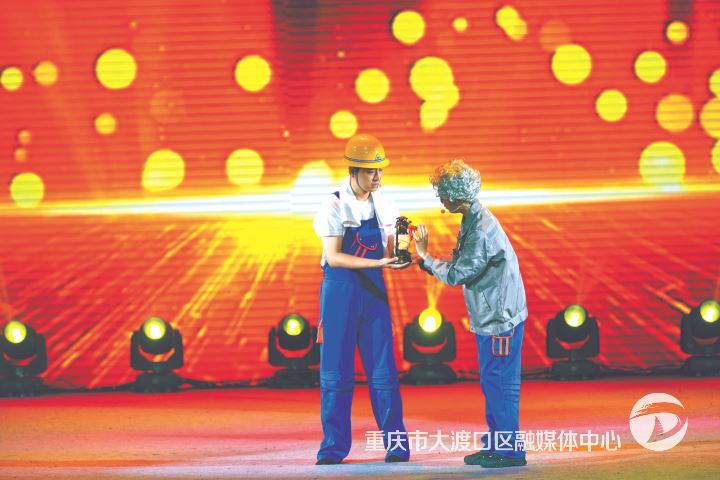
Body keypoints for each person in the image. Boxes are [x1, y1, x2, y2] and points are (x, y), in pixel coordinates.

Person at [413, 159, 528, 468]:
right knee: (493, 382)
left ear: (455, 195)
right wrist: (427, 262)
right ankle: (497, 445)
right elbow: (462, 264)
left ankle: (509, 451)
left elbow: (458, 274)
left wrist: (426, 257)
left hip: (499, 320)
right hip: (492, 318)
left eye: (442, 193)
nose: (440, 199)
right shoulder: (473, 219)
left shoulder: (480, 230)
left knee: (500, 383)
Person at [312, 133, 411, 465]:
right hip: (339, 292)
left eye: (380, 171)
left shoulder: (386, 204)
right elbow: (334, 256)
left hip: (373, 294)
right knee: (335, 374)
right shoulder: (333, 205)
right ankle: (333, 447)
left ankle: (396, 445)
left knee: (384, 372)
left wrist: (403, 254)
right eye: (371, 172)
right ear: (353, 171)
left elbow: (390, 250)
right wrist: (378, 263)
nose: (378, 177)